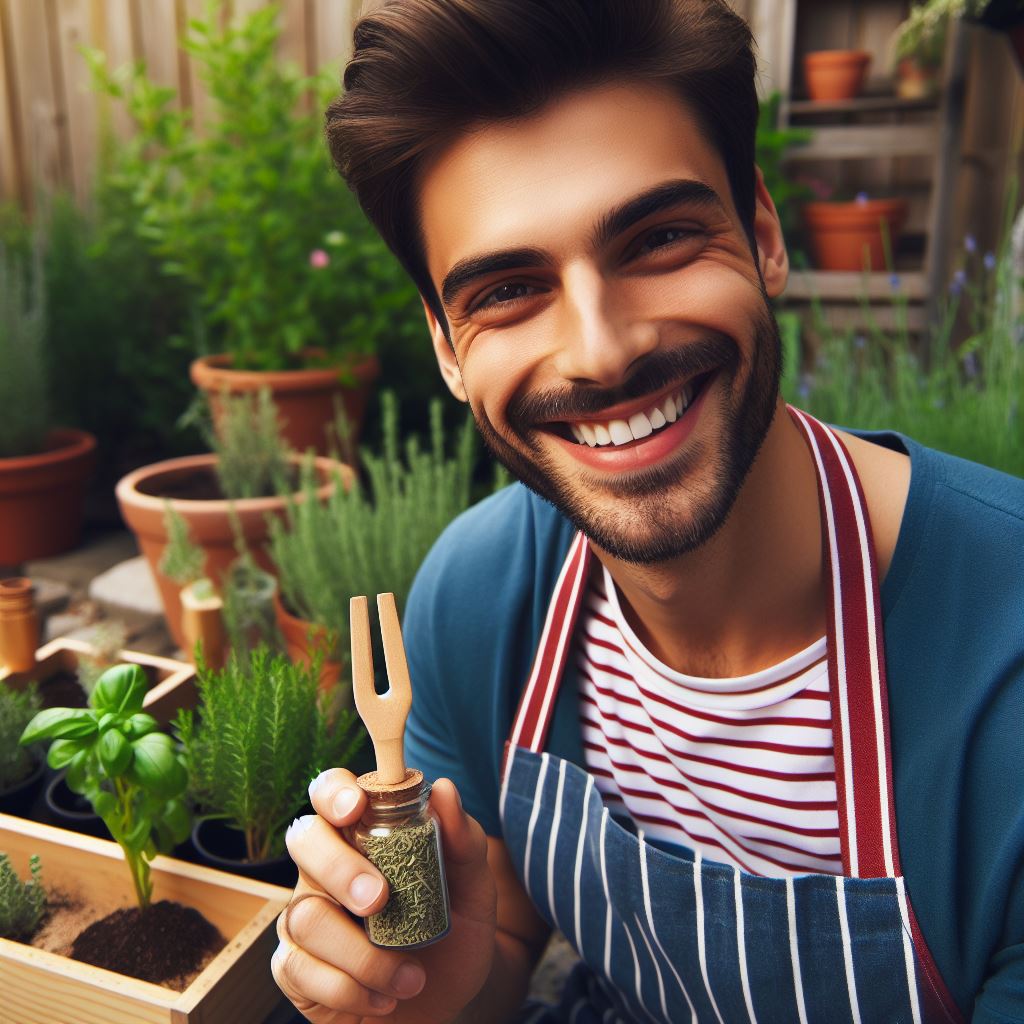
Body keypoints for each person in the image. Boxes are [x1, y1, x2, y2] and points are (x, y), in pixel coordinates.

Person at [272, 1, 1024, 1021]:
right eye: (507, 289)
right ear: (449, 349)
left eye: (659, 238)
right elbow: (497, 941)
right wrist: (429, 987)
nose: (600, 349)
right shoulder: (484, 594)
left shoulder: (1002, 657)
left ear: (761, 236)